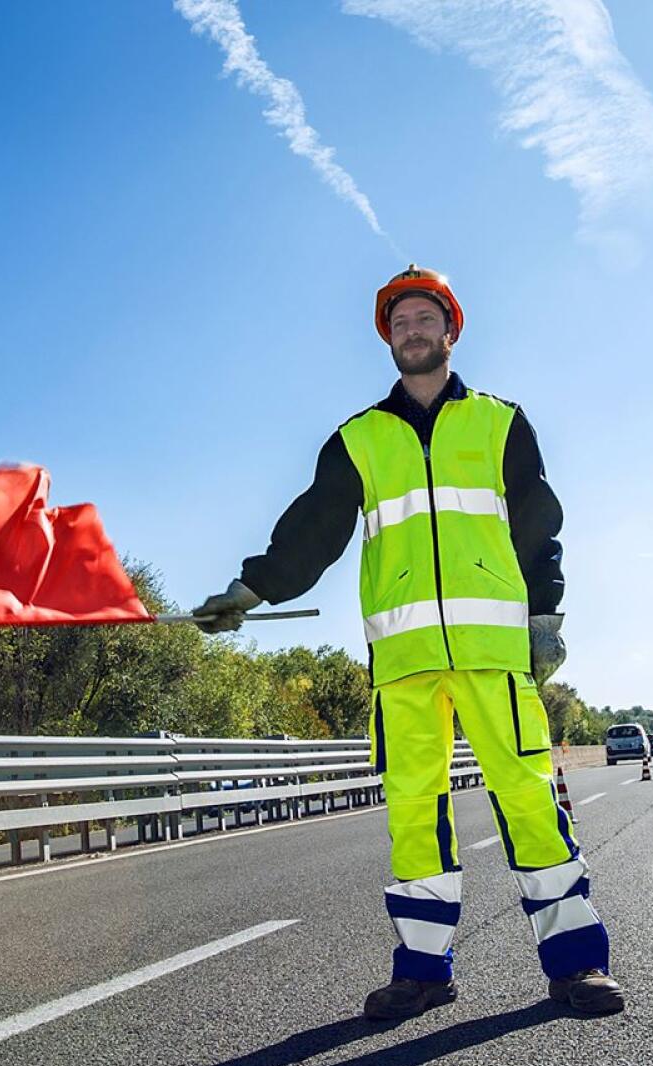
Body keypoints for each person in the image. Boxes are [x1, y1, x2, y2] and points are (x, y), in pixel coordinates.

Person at [195, 266, 623, 1020]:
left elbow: (537, 527)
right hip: (405, 668)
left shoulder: (500, 422)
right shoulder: (359, 440)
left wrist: (546, 618)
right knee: (413, 816)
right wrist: (248, 592)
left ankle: (577, 967)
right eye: (399, 323)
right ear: (388, 340)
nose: (412, 332)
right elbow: (311, 533)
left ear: (450, 331)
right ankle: (423, 972)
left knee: (528, 803)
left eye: (425, 319)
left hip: (495, 660)